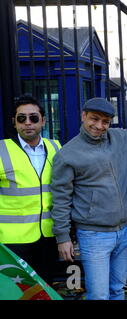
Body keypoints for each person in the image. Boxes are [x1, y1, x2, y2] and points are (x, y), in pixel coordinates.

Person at [50, 78, 127, 300]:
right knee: (99, 295)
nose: (99, 126)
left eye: (105, 121)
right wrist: (63, 237)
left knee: (116, 290)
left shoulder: (120, 138)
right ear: (84, 116)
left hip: (123, 231)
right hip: (93, 235)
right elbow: (61, 199)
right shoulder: (67, 154)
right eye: (94, 119)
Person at [0, 95, 61, 285]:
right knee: (18, 293)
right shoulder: (1, 150)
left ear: (43, 120)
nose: (28, 123)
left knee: (45, 289)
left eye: (33, 118)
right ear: (14, 122)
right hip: (12, 241)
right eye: (21, 118)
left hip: (49, 237)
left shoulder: (56, 147)